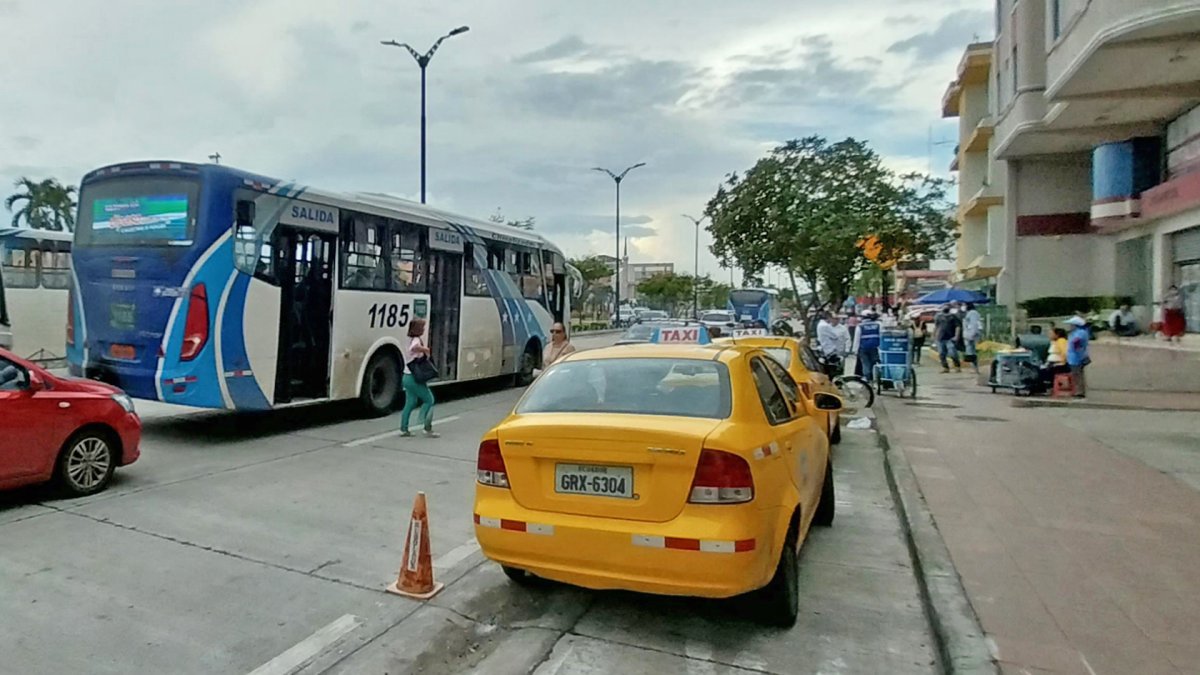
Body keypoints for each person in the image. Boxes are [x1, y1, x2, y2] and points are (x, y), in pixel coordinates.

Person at [400, 318, 438, 438]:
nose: (424, 329)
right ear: (418, 329)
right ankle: (426, 426)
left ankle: (404, 429)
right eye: (422, 327)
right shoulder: (416, 340)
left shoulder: (408, 339)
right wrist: (425, 349)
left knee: (410, 403)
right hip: (414, 377)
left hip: (406, 376)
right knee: (429, 400)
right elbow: (414, 348)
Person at [816, 313, 851, 377]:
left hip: (840, 350)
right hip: (831, 352)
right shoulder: (826, 327)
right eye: (834, 319)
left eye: (837, 319)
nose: (836, 320)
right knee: (832, 369)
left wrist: (847, 349)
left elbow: (847, 339)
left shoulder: (843, 328)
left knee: (840, 368)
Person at [853, 310, 882, 380]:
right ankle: (876, 377)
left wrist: (855, 350)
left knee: (865, 364)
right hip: (875, 347)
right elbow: (881, 336)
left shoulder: (860, 326)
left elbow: (857, 339)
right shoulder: (878, 324)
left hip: (864, 348)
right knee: (875, 363)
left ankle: (867, 378)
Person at [1066, 316, 1090, 398]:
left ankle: (1079, 391)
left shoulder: (1080, 332)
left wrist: (1077, 351)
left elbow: (1076, 342)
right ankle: (1077, 390)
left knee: (1077, 375)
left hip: (1077, 357)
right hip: (1073, 357)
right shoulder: (1075, 332)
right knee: (1075, 375)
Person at [934, 305, 962, 373]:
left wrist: (956, 336)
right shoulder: (938, 316)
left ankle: (957, 366)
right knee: (941, 354)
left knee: (952, 353)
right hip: (940, 338)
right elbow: (936, 326)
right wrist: (934, 335)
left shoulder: (953, 317)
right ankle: (945, 367)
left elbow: (958, 327)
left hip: (950, 338)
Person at [961, 302, 983, 374]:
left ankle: (975, 369)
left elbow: (974, 325)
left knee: (972, 353)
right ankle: (974, 369)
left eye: (964, 305)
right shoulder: (970, 313)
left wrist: (971, 335)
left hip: (971, 335)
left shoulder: (973, 313)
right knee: (970, 352)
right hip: (969, 335)